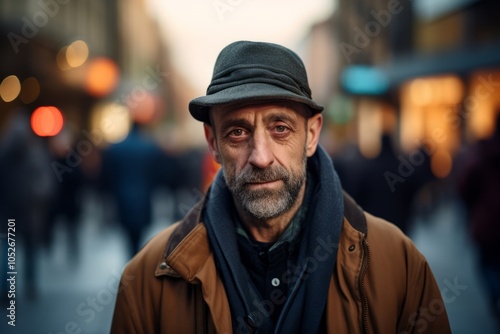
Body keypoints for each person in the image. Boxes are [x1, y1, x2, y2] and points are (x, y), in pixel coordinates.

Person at [111, 41, 451, 333]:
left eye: (281, 128)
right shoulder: (147, 281)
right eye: (237, 132)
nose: (260, 157)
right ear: (213, 142)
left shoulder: (398, 265)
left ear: (312, 135)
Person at [457, 114, 500, 323]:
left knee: (487, 263)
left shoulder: (482, 152)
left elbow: (466, 186)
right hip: (488, 220)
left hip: (488, 220)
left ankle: (496, 295)